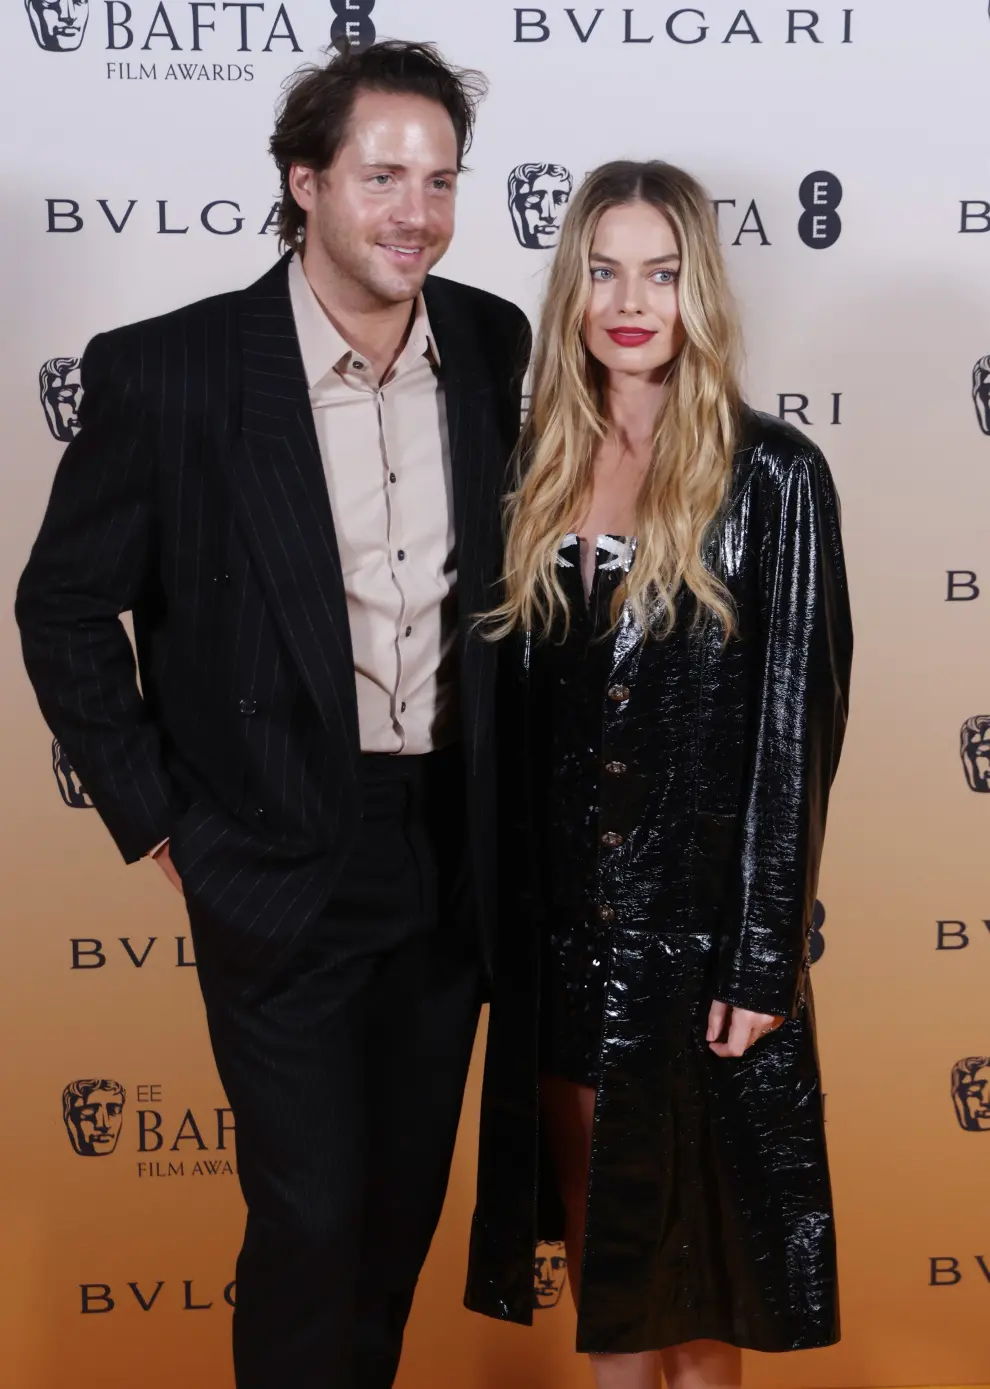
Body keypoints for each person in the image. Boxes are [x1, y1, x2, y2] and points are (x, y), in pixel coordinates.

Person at [17, 41, 530, 1389]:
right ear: (303, 183)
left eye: (439, 180)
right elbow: (63, 608)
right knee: (307, 1215)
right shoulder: (172, 373)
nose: (414, 211)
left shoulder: (489, 340)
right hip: (276, 846)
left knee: (396, 1215)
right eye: (379, 177)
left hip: (450, 847)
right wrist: (161, 820)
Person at [466, 160, 853, 1389]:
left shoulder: (774, 476)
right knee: (611, 1297)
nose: (632, 299)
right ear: (573, 285)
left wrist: (758, 959)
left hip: (698, 963)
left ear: (701, 291)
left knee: (700, 1304)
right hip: (565, 955)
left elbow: (798, 733)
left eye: (663, 271)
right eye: (605, 268)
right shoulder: (523, 470)